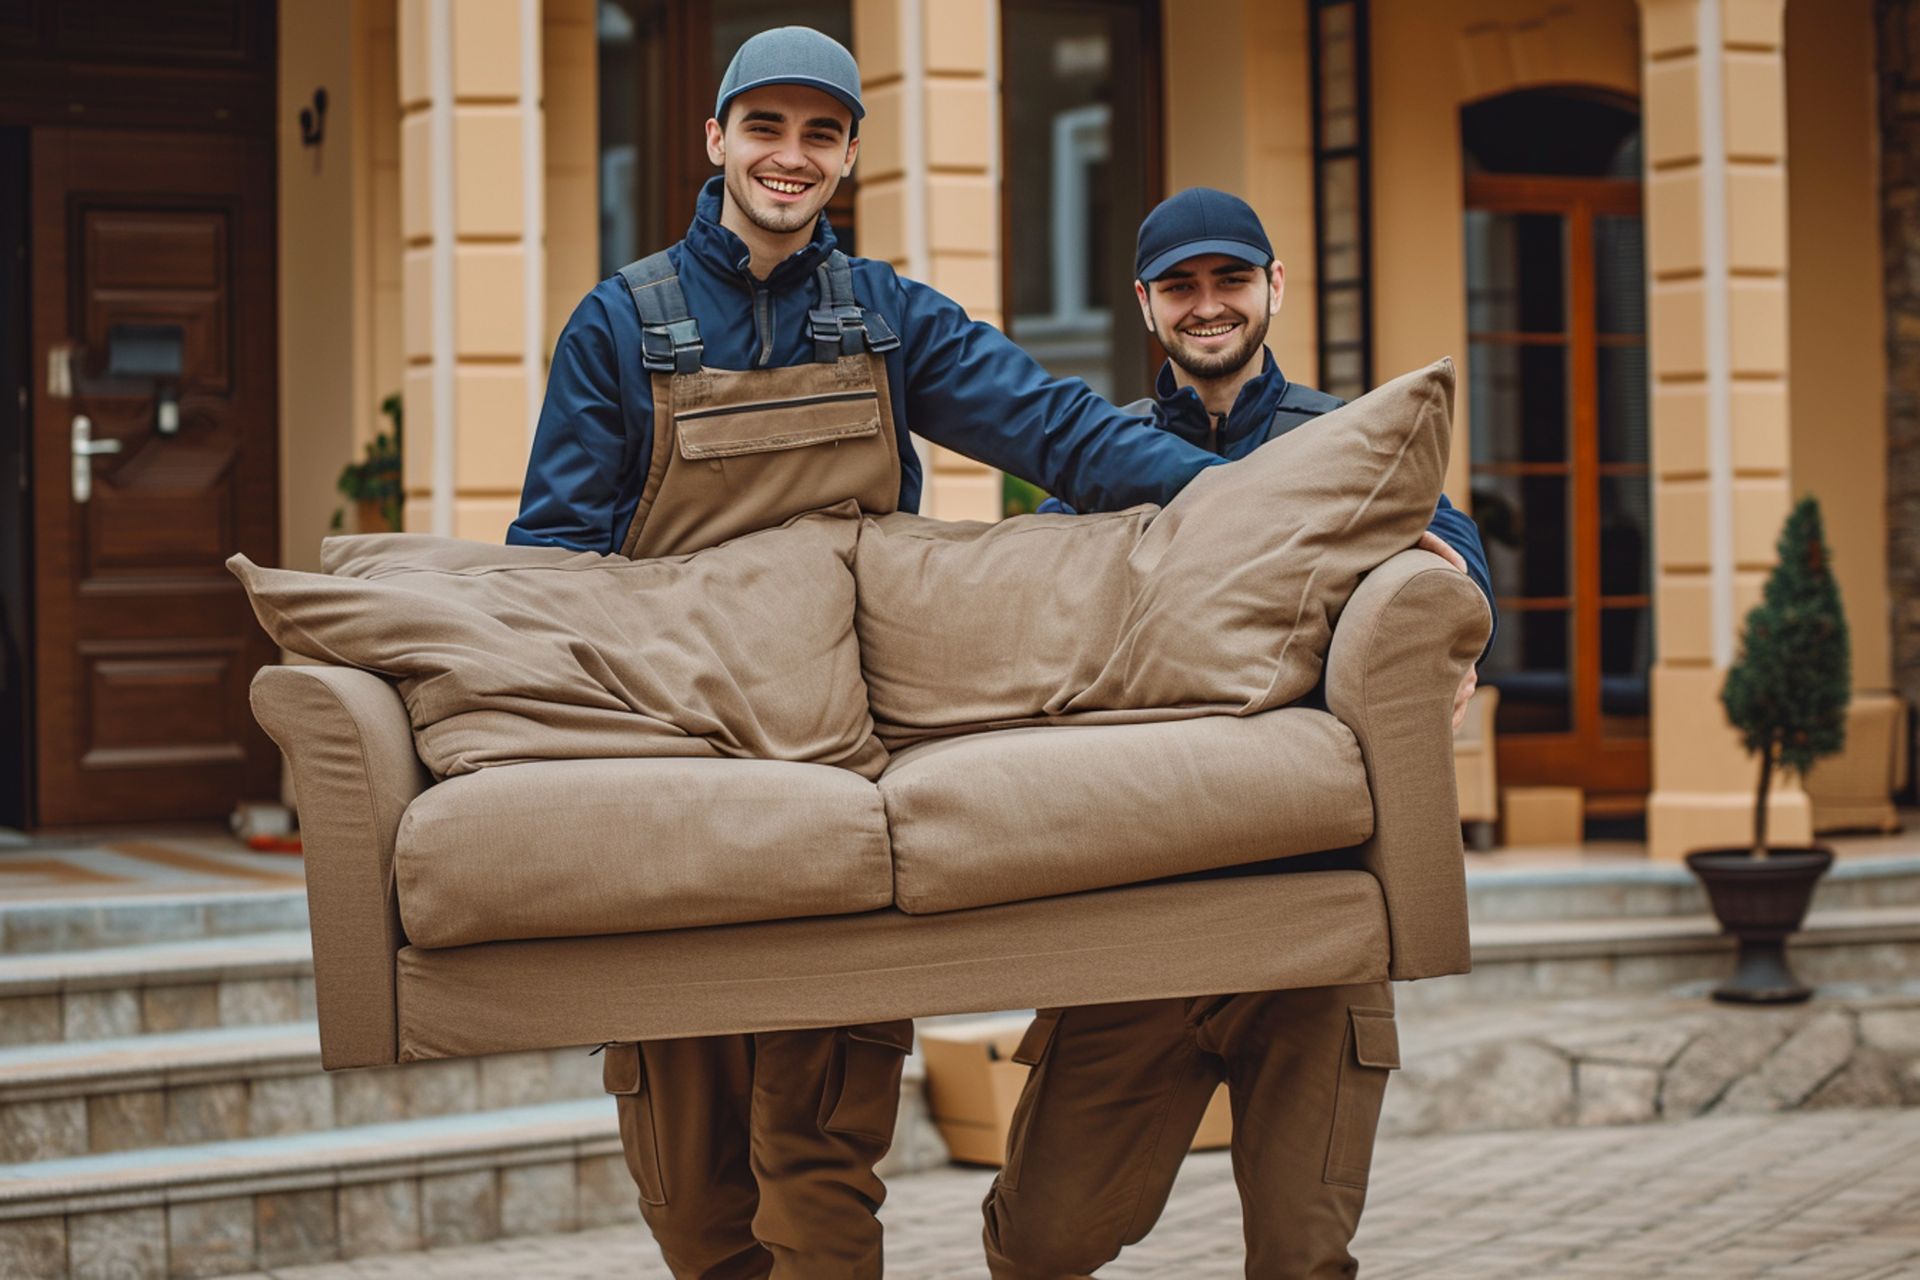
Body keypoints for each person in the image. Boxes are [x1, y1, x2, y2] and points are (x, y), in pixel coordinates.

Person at [509, 28, 1237, 1280]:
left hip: (841, 777)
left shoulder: (887, 319)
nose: (791, 157)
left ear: (849, 154)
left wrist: (1263, 494)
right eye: (768, 128)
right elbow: (555, 560)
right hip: (678, 776)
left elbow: (1062, 432)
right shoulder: (619, 325)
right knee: (693, 1202)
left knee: (817, 1156)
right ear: (716, 138)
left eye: (821, 133)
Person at [982, 188, 1497, 1280]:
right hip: (1143, 915)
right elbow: (1030, 612)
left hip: (1312, 916)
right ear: (1145, 305)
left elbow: (1447, 546)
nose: (1207, 305)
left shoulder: (1343, 439)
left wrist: (1435, 632)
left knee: (1303, 1257)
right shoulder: (1096, 455)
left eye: (1229, 280)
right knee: (1040, 1240)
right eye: (1181, 286)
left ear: (1274, 287)